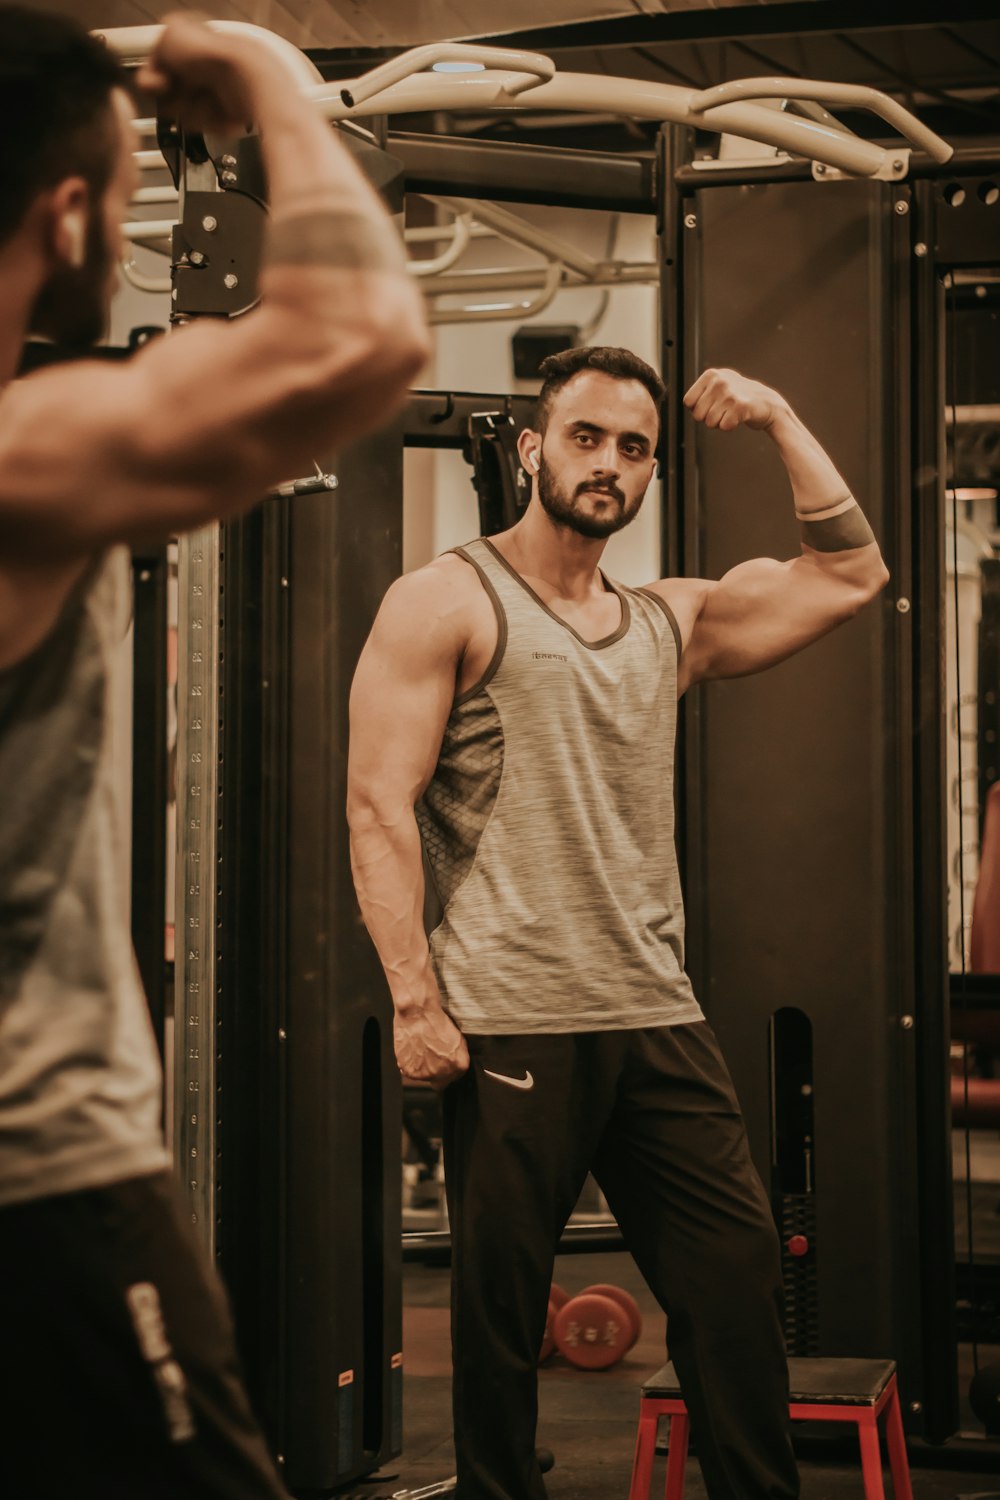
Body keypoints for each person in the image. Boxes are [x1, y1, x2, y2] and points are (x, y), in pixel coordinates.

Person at [0, 8, 427, 1497]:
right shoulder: (27, 458)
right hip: (39, 1187)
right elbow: (362, 336)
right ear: (67, 214)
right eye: (121, 193)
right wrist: (271, 87)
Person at [347, 345, 889, 1500]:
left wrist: (783, 413)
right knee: (498, 1316)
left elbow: (849, 575)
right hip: (509, 1018)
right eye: (586, 438)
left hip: (652, 1010)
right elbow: (375, 804)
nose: (610, 464)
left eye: (634, 448)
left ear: (649, 474)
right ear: (536, 450)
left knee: (734, 1280)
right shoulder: (446, 599)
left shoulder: (670, 621)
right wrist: (413, 998)